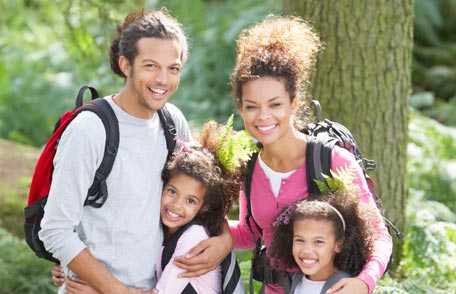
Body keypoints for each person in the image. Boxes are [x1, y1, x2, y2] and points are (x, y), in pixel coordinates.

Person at [175, 16, 392, 294]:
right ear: (240, 108)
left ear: (294, 103)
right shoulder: (250, 167)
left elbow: (378, 236)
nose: (263, 116)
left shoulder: (332, 161)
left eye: (275, 104)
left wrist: (364, 282)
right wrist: (216, 234)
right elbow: (253, 231)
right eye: (252, 106)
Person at [40, 9, 195, 294]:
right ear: (126, 64)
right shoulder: (90, 130)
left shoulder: (173, 123)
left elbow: (200, 201)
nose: (163, 79)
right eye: (150, 66)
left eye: (173, 68)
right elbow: (55, 230)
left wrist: (222, 243)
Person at [52, 123, 248, 294]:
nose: (176, 205)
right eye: (172, 191)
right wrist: (72, 267)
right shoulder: (165, 231)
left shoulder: (193, 238)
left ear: (203, 208)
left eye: (191, 201)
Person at [269, 182, 374, 294]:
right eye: (300, 240)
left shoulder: (344, 289)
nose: (307, 250)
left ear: (338, 245)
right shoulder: (295, 281)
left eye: (318, 242)